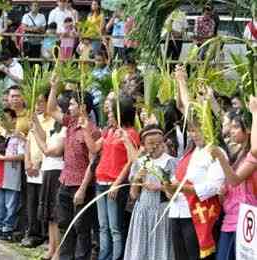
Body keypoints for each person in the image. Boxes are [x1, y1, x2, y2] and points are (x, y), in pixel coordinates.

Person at [165, 65, 226, 259]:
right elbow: (184, 107)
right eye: (190, 130)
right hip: (179, 212)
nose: (193, 133)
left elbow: (213, 187)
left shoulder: (216, 151)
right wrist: (179, 81)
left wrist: (183, 81)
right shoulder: (191, 151)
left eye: (197, 129)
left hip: (201, 215)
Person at [47, 75, 100, 260]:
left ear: (83, 108)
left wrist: (83, 189)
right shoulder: (70, 123)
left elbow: (93, 162)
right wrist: (53, 87)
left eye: (72, 105)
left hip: (81, 185)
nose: (69, 108)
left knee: (81, 228)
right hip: (65, 181)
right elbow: (51, 109)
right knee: (64, 224)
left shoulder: (92, 130)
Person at [85, 96, 140, 260]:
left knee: (115, 227)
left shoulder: (130, 133)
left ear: (121, 113)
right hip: (101, 182)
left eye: (112, 112)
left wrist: (117, 184)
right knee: (103, 226)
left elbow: (131, 161)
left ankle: (116, 257)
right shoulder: (110, 131)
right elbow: (94, 148)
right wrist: (85, 129)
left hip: (114, 184)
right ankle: (104, 255)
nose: (108, 114)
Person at [124, 124, 175, 260]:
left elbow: (174, 193)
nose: (154, 147)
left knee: (159, 249)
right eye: (150, 143)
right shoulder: (140, 163)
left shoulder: (171, 163)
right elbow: (134, 194)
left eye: (158, 143)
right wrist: (136, 179)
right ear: (144, 145)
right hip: (142, 212)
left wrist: (159, 187)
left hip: (161, 212)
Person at [212, 112, 257, 260]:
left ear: (249, 130)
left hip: (246, 217)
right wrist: (222, 194)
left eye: (236, 127)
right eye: (230, 127)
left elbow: (235, 180)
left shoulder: (252, 156)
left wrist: (220, 158)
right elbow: (230, 186)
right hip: (230, 219)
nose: (231, 130)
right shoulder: (236, 154)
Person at [0, 108, 26, 241]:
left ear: (14, 120)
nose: (4, 122)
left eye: (7, 118)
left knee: (11, 204)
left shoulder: (18, 137)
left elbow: (23, 155)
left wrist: (3, 158)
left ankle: (8, 229)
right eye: (2, 119)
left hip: (12, 175)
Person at [31, 109, 66, 260]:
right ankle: (51, 249)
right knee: (50, 215)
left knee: (55, 213)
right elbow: (45, 136)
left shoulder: (65, 128)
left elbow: (50, 150)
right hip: (48, 169)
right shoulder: (55, 125)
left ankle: (58, 251)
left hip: (57, 171)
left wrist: (35, 136)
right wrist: (36, 123)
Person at [22, 94, 55, 248]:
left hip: (43, 168)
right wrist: (27, 161)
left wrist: (38, 163)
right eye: (36, 102)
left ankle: (45, 235)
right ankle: (33, 232)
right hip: (31, 168)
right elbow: (28, 142)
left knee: (44, 203)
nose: (38, 105)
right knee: (32, 202)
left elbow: (48, 143)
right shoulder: (35, 119)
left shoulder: (53, 121)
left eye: (41, 102)